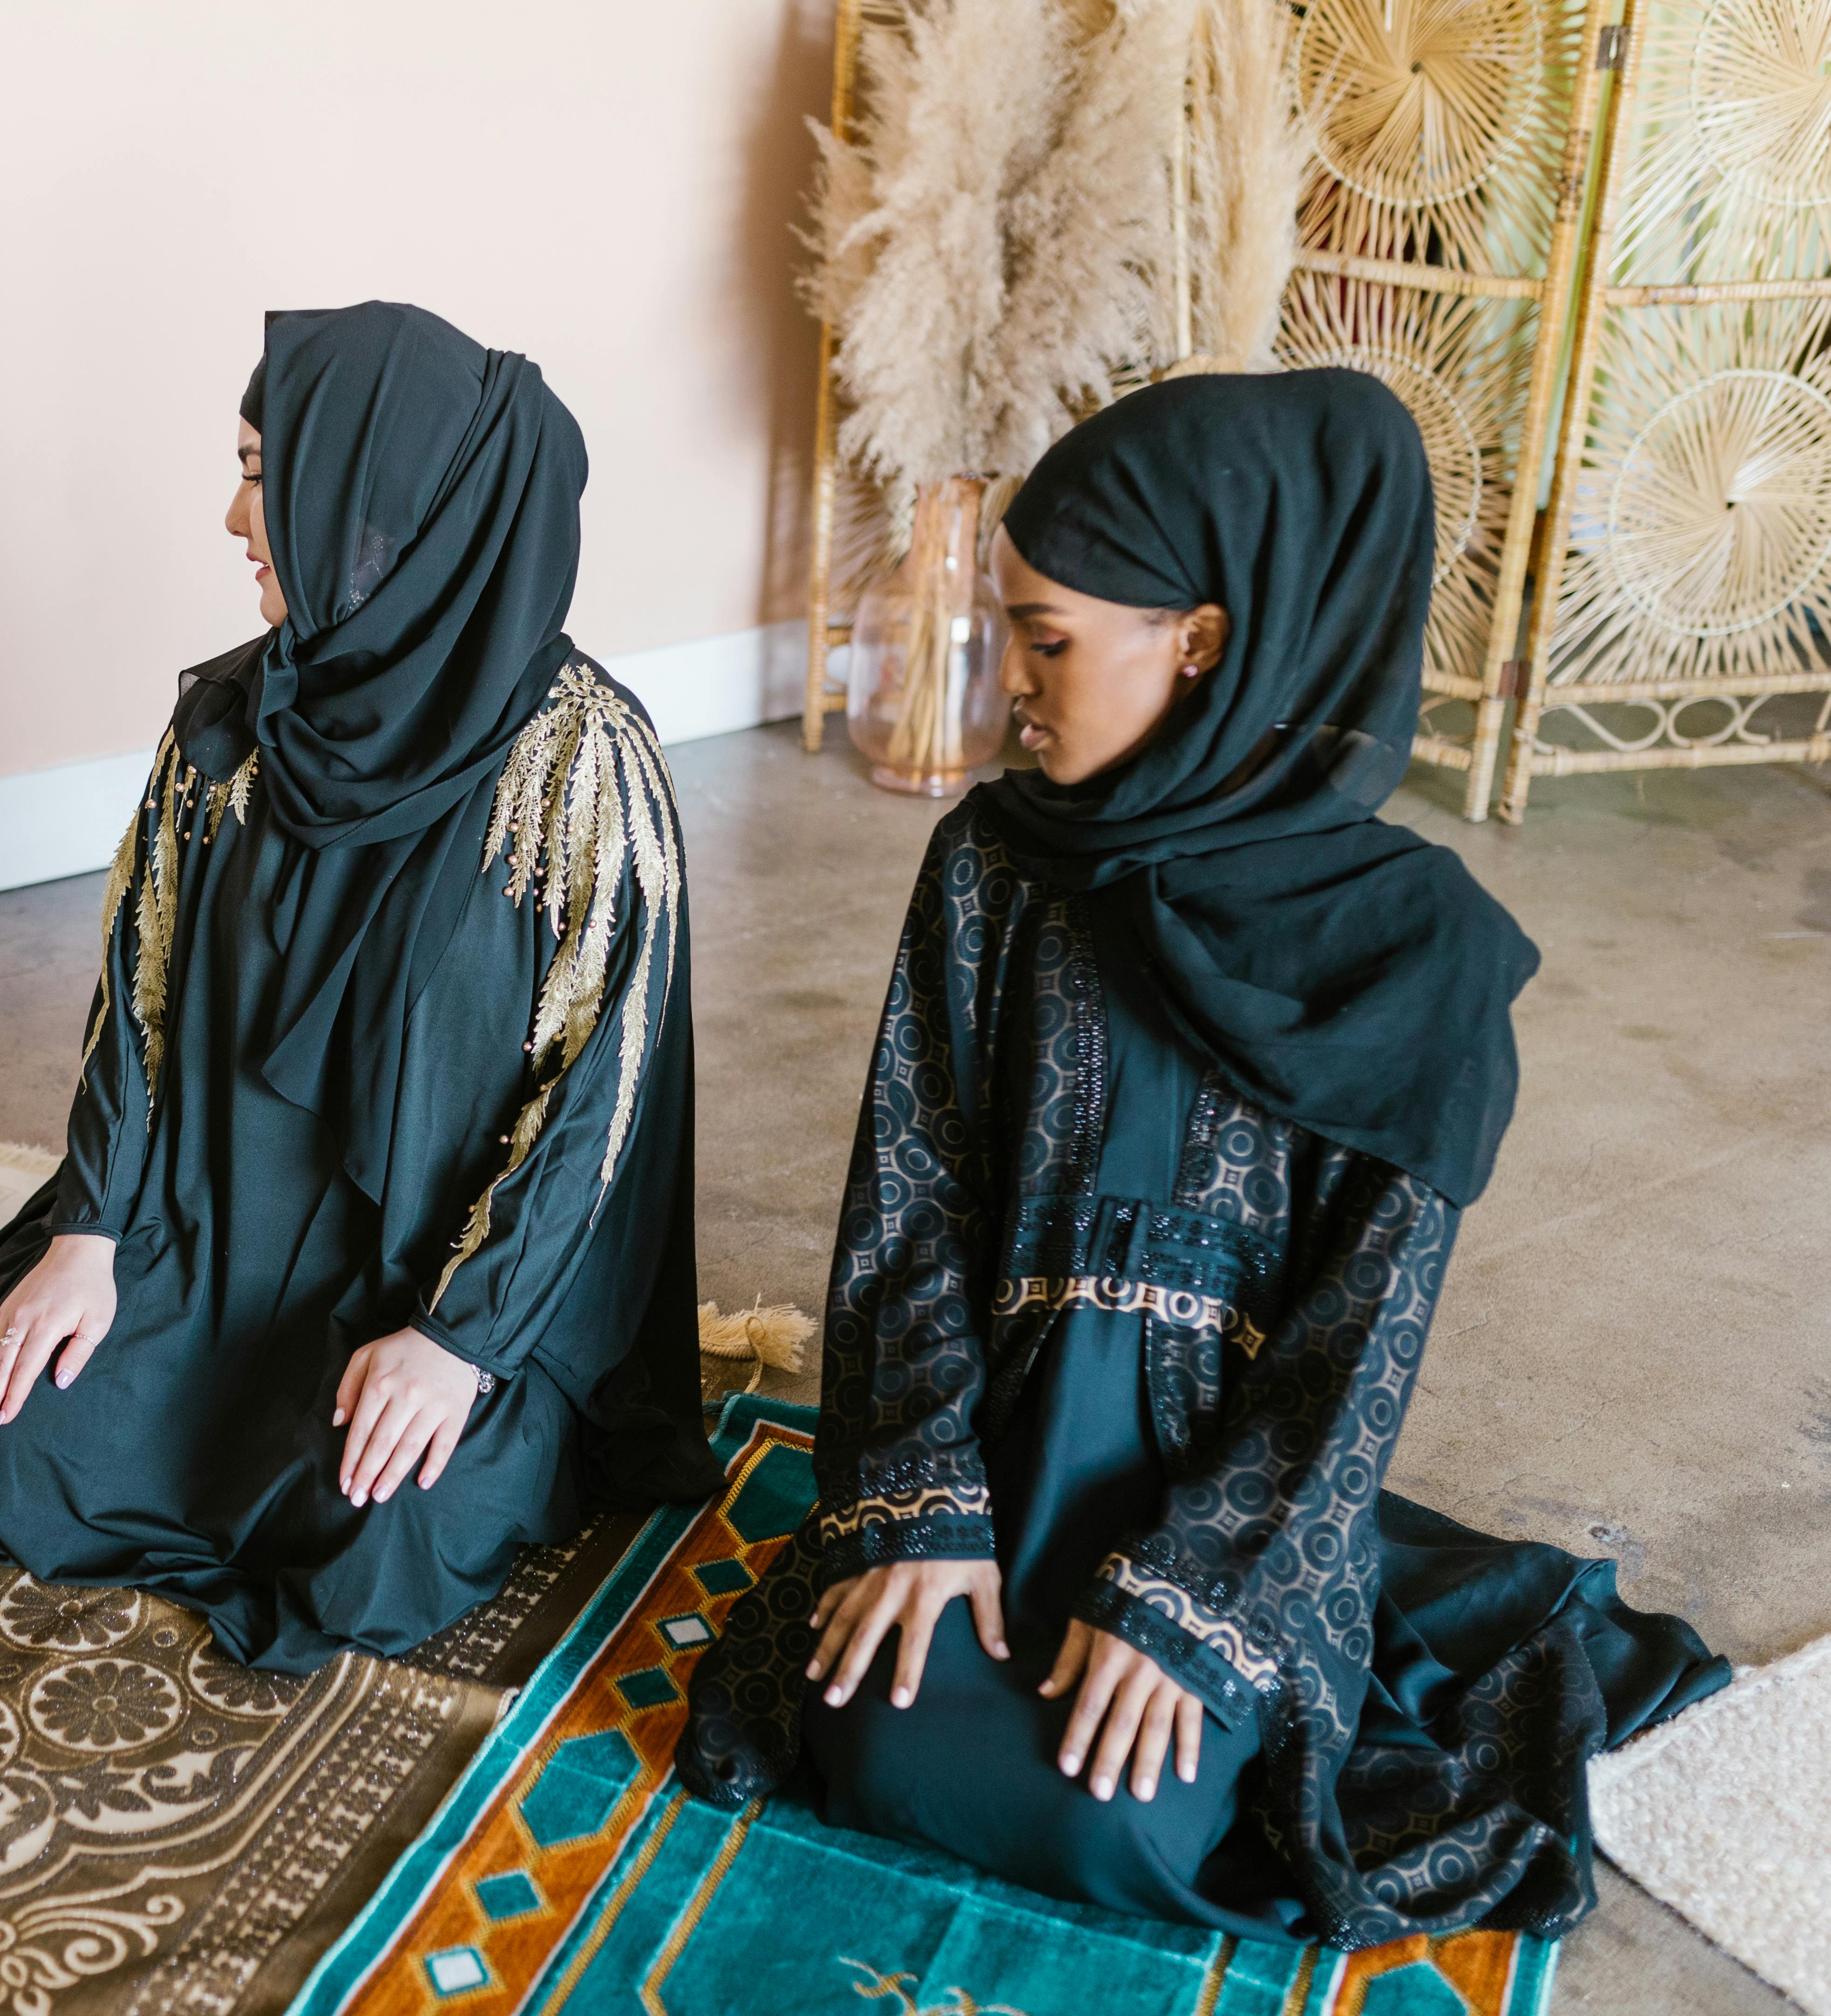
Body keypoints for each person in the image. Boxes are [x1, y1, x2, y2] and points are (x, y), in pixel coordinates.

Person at [677, 370, 1727, 1947]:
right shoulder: (990, 867)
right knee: (876, 1738)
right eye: (1003, 627)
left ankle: (1312, 1608)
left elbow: (1351, 1344)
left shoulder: (1413, 956)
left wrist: (1199, 1604)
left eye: (1046, 637)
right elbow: (909, 1206)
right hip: (997, 1452)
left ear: (1204, 639)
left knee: (1115, 1812)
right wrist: (920, 1505)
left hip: (1237, 1503)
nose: (1003, 681)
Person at [0, 302, 722, 1672]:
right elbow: (140, 991)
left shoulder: (584, 765)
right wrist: (91, 1234)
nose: (235, 524)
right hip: (207, 1235)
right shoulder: (230, 724)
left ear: (380, 505)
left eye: (259, 474)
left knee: (375, 1544)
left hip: (436, 1285)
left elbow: (605, 1104)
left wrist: (461, 1342)